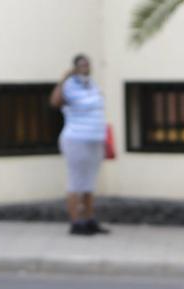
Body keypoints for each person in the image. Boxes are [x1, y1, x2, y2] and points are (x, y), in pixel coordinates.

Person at [50, 54, 110, 236]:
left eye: (87, 64)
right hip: (76, 139)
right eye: (82, 64)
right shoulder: (69, 85)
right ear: (75, 67)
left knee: (89, 183)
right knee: (76, 182)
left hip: (95, 139)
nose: (86, 67)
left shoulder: (92, 84)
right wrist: (63, 79)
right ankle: (76, 222)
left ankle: (89, 220)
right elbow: (55, 102)